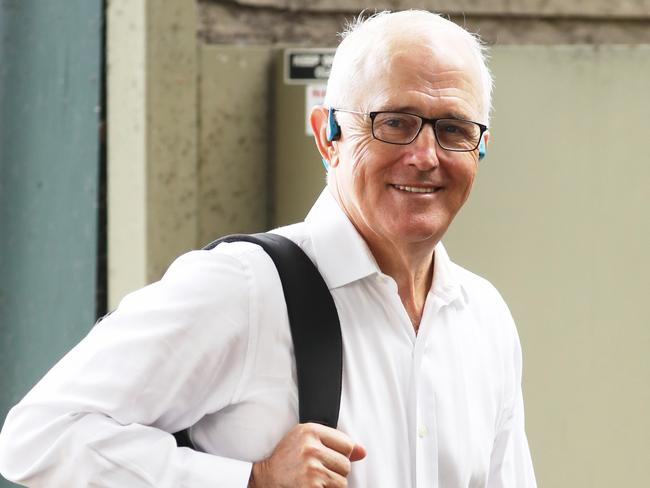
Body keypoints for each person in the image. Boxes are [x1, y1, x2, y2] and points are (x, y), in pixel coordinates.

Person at [0, 10, 536, 488]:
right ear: (328, 135)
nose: (425, 156)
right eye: (394, 122)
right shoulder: (245, 287)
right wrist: (249, 481)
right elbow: (38, 436)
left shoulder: (484, 318)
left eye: (453, 129)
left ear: (480, 147)